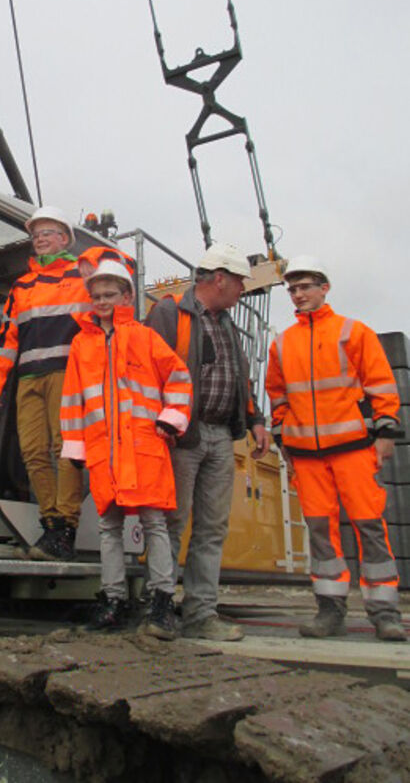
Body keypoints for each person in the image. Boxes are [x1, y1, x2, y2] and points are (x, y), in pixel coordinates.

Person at [266, 255, 406, 642]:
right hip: (307, 456)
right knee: (319, 533)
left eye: (305, 286)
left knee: (369, 527)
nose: (298, 295)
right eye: (292, 289)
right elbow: (277, 396)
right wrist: (284, 438)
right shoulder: (282, 344)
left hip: (353, 449)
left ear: (324, 288)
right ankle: (330, 610)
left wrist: (386, 435)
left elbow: (381, 385)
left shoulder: (353, 332)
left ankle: (384, 612)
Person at [145, 242, 270, 641]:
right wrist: (161, 424)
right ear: (219, 278)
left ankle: (200, 615)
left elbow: (240, 378)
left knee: (212, 528)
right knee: (172, 521)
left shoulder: (228, 325)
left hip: (221, 435)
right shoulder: (168, 313)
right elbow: (147, 372)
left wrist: (255, 420)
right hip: (183, 433)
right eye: (238, 283)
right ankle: (159, 609)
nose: (241, 291)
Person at [61, 261, 193, 634]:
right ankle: (113, 599)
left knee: (154, 522)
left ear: (126, 296)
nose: (102, 301)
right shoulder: (81, 343)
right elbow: (73, 400)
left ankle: (162, 600)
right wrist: (75, 448)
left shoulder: (145, 337)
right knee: (109, 525)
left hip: (144, 448)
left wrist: (171, 419)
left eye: (110, 295)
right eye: (97, 295)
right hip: (105, 451)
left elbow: (180, 378)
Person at [0, 206, 91, 561]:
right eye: (36, 235)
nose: (40, 239)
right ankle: (51, 525)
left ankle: (66, 527)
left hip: (67, 375)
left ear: (65, 238)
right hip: (29, 377)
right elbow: (7, 339)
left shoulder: (83, 276)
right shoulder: (22, 286)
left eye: (47, 233)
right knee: (33, 452)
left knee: (65, 450)